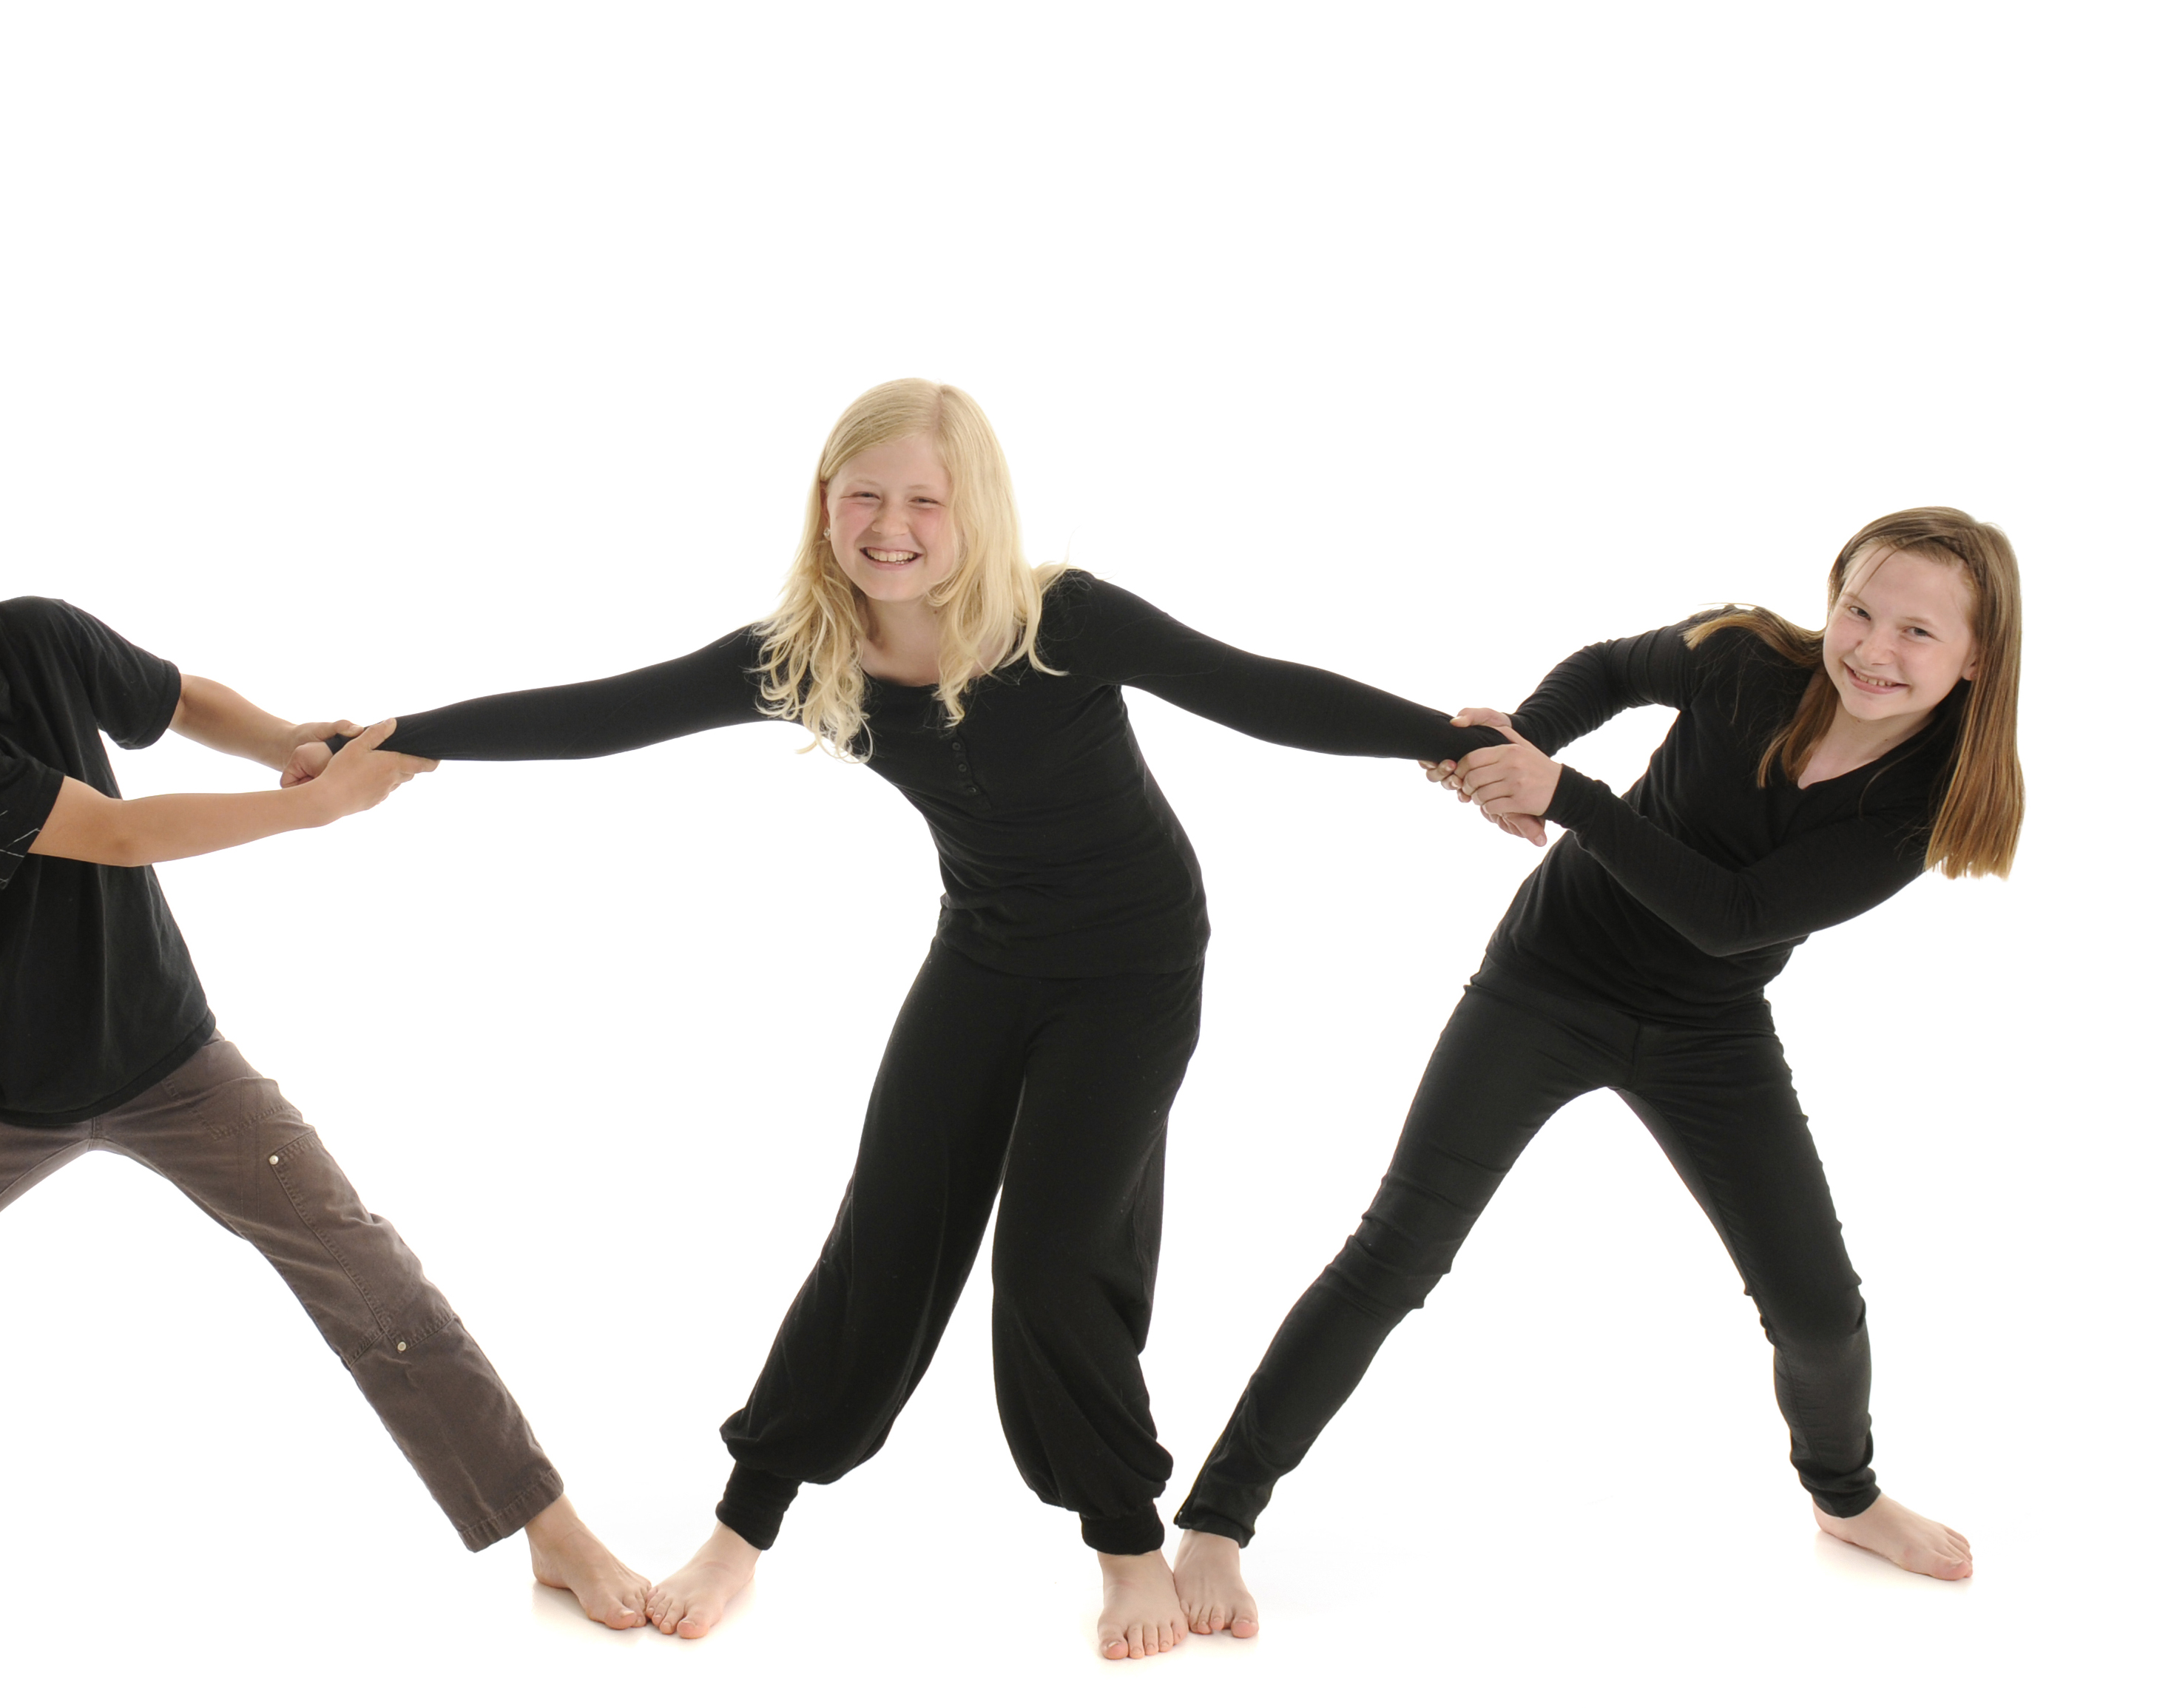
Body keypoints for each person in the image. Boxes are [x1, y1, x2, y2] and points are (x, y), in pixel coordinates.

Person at [314, 381, 1512, 1658]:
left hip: (1134, 962)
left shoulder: (1061, 621)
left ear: (974, 508)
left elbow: (1255, 690)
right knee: (883, 1233)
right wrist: (402, 740)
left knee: (1055, 1261)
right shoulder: (806, 655)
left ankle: (1125, 1543)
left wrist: (1441, 741)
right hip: (987, 950)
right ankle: (741, 1530)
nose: (891, 526)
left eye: (924, 500)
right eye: (865, 497)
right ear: (825, 505)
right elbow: (605, 713)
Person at [0, 459, 648, 1664]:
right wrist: (316, 810)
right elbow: (116, 832)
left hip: (169, 1059)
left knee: (371, 1276)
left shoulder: (45, 637)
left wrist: (283, 743)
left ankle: (549, 1528)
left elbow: (177, 698)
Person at [1167, 507, 2022, 1639]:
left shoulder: (1932, 801)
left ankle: (1846, 1497)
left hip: (1709, 1030)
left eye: (1918, 632)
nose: (1872, 648)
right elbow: (1613, 669)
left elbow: (1733, 918)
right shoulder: (1742, 658)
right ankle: (1217, 1520)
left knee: (1820, 1313)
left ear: (1977, 660)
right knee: (1396, 1252)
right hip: (1548, 980)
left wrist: (1561, 792)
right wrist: (1516, 745)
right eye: (1859, 610)